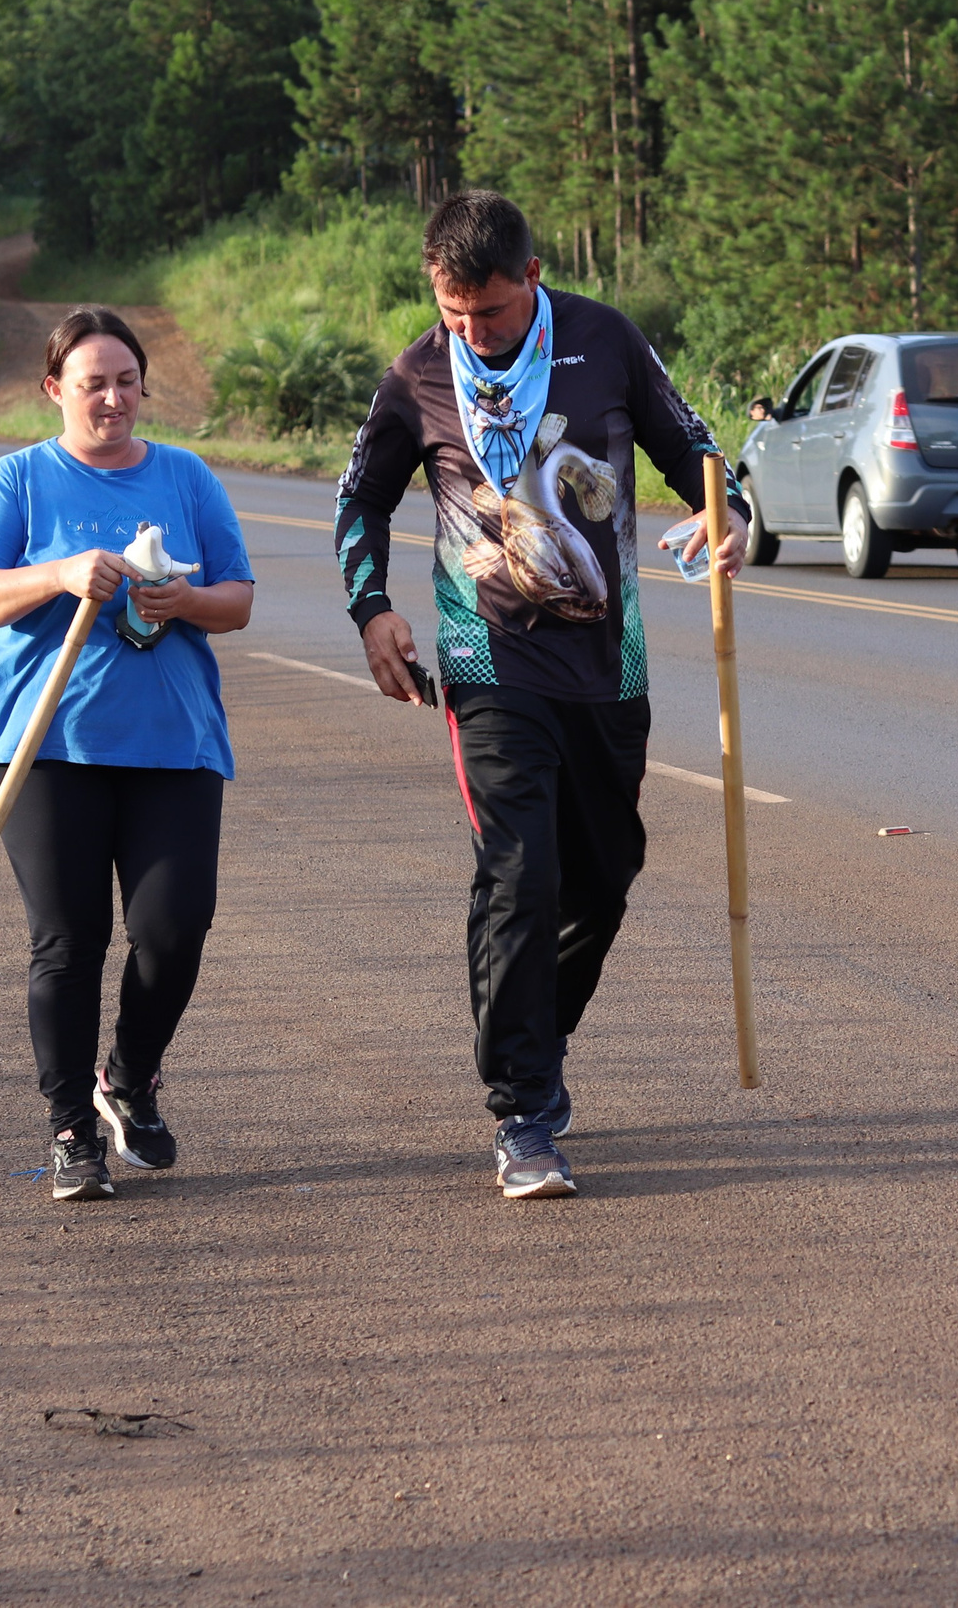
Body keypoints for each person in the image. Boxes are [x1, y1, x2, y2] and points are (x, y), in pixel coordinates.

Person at [335, 189, 746, 1200]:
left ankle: (535, 1036)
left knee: (603, 876)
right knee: (520, 869)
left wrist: (728, 510)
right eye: (453, 313)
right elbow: (361, 497)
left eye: (489, 311)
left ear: (532, 276)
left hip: (608, 664)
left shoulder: (605, 340)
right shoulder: (418, 375)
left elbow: (692, 449)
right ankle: (522, 1108)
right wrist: (372, 609)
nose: (471, 332)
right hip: (488, 661)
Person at [0, 308, 256, 1202]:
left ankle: (126, 1077)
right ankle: (69, 1132)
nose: (113, 399)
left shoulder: (186, 476)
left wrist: (181, 601)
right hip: (43, 745)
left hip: (173, 743)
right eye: (93, 384)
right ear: (55, 390)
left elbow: (237, 598)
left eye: (126, 381)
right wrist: (59, 574)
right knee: (69, 938)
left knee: (175, 926)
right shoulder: (17, 481)